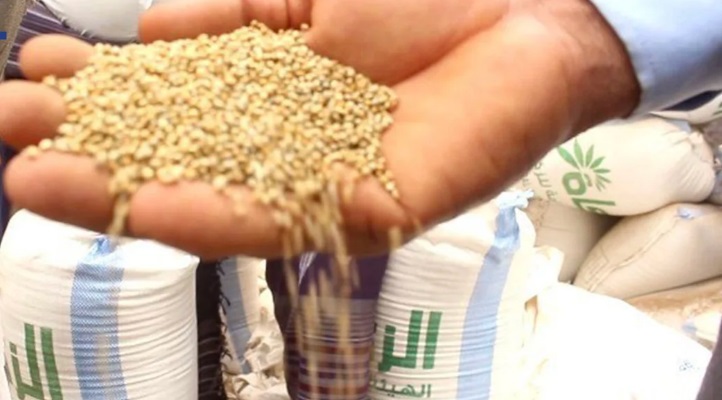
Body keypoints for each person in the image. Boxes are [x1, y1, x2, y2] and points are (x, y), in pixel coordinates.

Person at [0, 0, 720, 396]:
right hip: (117, 28)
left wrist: (573, 35)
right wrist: (580, 33)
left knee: (328, 281)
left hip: (352, 59)